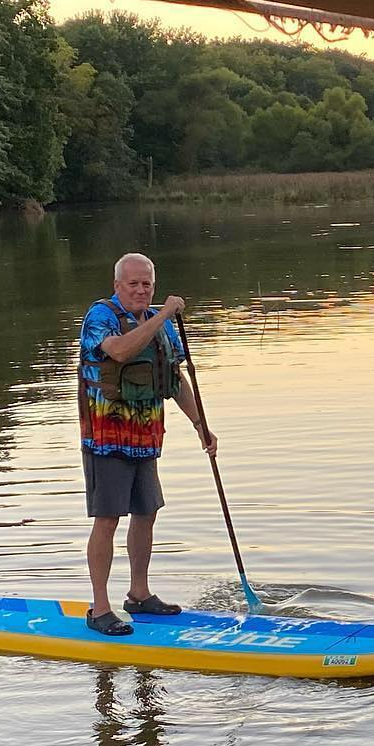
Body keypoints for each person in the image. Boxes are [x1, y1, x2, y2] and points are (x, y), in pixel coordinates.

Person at [78, 252, 217, 636]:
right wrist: (162, 316)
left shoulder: (163, 324)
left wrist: (200, 425)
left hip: (146, 438)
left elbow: (172, 379)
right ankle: (99, 608)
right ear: (117, 285)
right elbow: (120, 351)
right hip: (106, 439)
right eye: (134, 284)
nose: (141, 290)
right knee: (107, 518)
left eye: (147, 284)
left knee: (147, 512)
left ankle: (139, 595)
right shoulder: (101, 316)